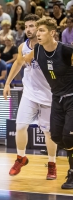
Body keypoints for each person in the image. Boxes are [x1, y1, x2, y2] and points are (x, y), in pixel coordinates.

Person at [3, 14, 57, 180]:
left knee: (48, 134)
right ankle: (21, 158)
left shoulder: (52, 47)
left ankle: (52, 164)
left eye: (32, 26)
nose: (29, 29)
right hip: (30, 93)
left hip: (49, 95)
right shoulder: (23, 47)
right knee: (20, 126)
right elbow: (18, 63)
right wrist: (7, 83)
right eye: (26, 26)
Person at [24, 17, 73, 189]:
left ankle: (72, 173)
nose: (38, 33)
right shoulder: (37, 51)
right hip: (56, 98)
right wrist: (8, 83)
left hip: (72, 97)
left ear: (53, 33)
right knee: (57, 137)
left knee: (69, 137)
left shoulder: (66, 50)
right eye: (37, 30)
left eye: (42, 30)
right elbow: (22, 61)